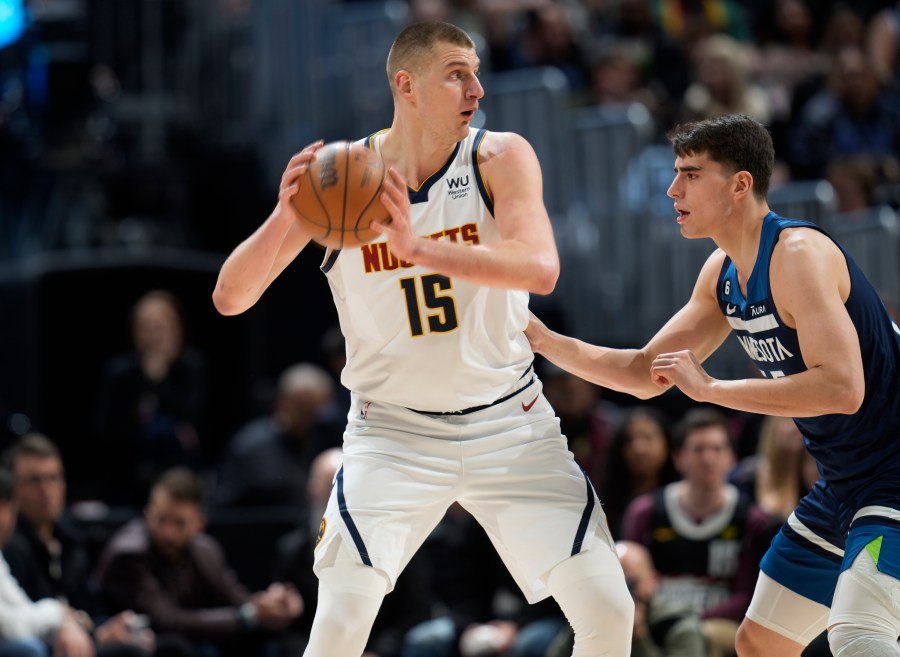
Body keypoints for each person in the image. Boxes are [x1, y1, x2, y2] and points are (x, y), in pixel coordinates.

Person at [211, 19, 633, 657]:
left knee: (608, 610)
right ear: (406, 85)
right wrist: (284, 212)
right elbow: (230, 297)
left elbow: (541, 267)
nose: (477, 89)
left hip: (509, 423)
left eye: (478, 72)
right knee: (339, 625)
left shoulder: (500, 156)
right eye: (457, 74)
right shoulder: (347, 175)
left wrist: (416, 248)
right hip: (393, 434)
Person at [525, 113, 900, 657]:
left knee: (859, 633)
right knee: (760, 642)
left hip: (892, 474)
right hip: (846, 484)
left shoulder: (796, 256)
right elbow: (645, 373)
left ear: (740, 184)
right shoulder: (722, 272)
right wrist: (543, 341)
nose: (673, 188)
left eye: (691, 174)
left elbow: (843, 389)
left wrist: (713, 390)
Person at [93, 467, 302, 657]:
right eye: (161, 519)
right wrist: (246, 617)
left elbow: (236, 598)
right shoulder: (129, 555)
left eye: (179, 523)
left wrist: (271, 604)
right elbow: (167, 620)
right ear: (148, 513)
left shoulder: (205, 549)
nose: (168, 533)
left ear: (199, 524)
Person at [620, 408, 776, 657]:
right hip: (655, 615)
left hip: (715, 624)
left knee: (698, 635)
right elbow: (629, 577)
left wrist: (687, 620)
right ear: (678, 457)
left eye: (717, 449)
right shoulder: (645, 511)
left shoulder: (753, 520)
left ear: (732, 458)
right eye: (698, 449)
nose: (708, 458)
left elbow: (748, 596)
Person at [2, 434, 155, 657]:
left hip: (78, 639)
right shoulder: (8, 545)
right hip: (52, 645)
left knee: (155, 644)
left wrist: (110, 627)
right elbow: (20, 624)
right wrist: (68, 620)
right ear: (12, 492)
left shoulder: (71, 541)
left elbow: (87, 608)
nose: (46, 490)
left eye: (53, 478)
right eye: (34, 480)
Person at [92, 289, 209, 508]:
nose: (157, 336)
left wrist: (159, 382)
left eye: (164, 327)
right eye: (148, 328)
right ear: (135, 333)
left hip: (181, 475)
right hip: (129, 479)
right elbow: (107, 431)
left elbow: (195, 424)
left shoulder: (191, 368)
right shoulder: (120, 373)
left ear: (178, 330)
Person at [0, 464, 102, 657]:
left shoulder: (71, 540)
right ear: (4, 509)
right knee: (30, 650)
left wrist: (64, 621)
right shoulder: (16, 548)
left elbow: (22, 607)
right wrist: (58, 613)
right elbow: (9, 627)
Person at [211, 362, 342, 510]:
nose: (310, 418)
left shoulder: (327, 439)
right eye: (303, 409)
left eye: (317, 411)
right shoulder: (251, 446)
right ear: (282, 402)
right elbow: (225, 505)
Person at [548, 539, 709, 657]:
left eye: (631, 583)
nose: (622, 591)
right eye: (614, 582)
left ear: (653, 581)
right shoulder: (594, 615)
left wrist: (638, 636)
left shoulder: (679, 626)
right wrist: (578, 630)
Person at [599, 405, 679, 539]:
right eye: (629, 440)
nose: (638, 448)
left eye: (648, 438)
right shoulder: (603, 502)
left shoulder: (681, 498)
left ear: (667, 443)